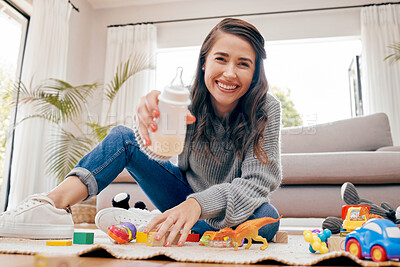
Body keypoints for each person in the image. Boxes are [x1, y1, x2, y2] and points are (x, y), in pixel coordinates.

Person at [0, 18, 282, 246]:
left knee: (267, 218)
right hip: (181, 197)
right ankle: (51, 207)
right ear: (204, 62)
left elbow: (258, 181)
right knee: (124, 135)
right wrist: (151, 127)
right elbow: (156, 154)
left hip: (224, 209)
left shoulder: (266, 109)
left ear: (256, 72)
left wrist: (198, 204)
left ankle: (147, 223)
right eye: (221, 59)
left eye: (243, 63)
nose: (230, 73)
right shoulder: (183, 100)